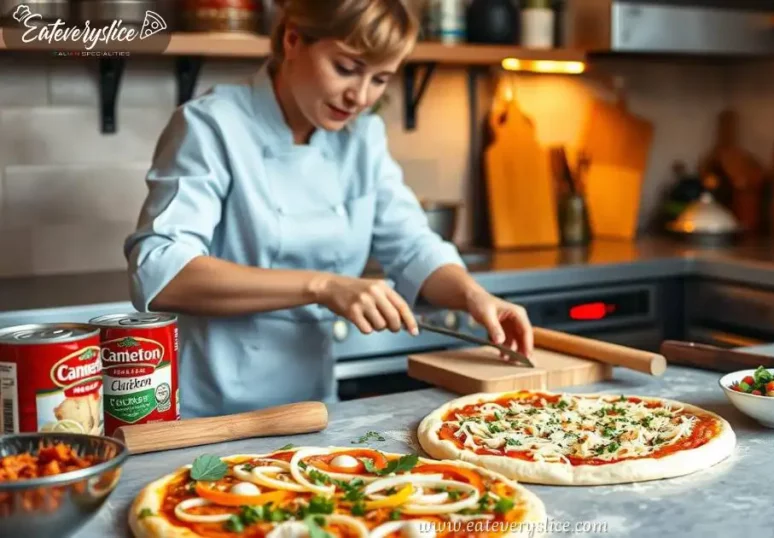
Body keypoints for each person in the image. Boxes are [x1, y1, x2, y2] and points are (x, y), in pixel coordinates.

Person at [124, 0, 533, 418]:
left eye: (380, 79)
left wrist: (473, 296)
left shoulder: (362, 137)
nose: (360, 97)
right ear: (293, 39)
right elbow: (162, 273)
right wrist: (324, 286)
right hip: (211, 412)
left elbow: (412, 247)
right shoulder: (212, 126)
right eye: (346, 68)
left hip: (311, 409)